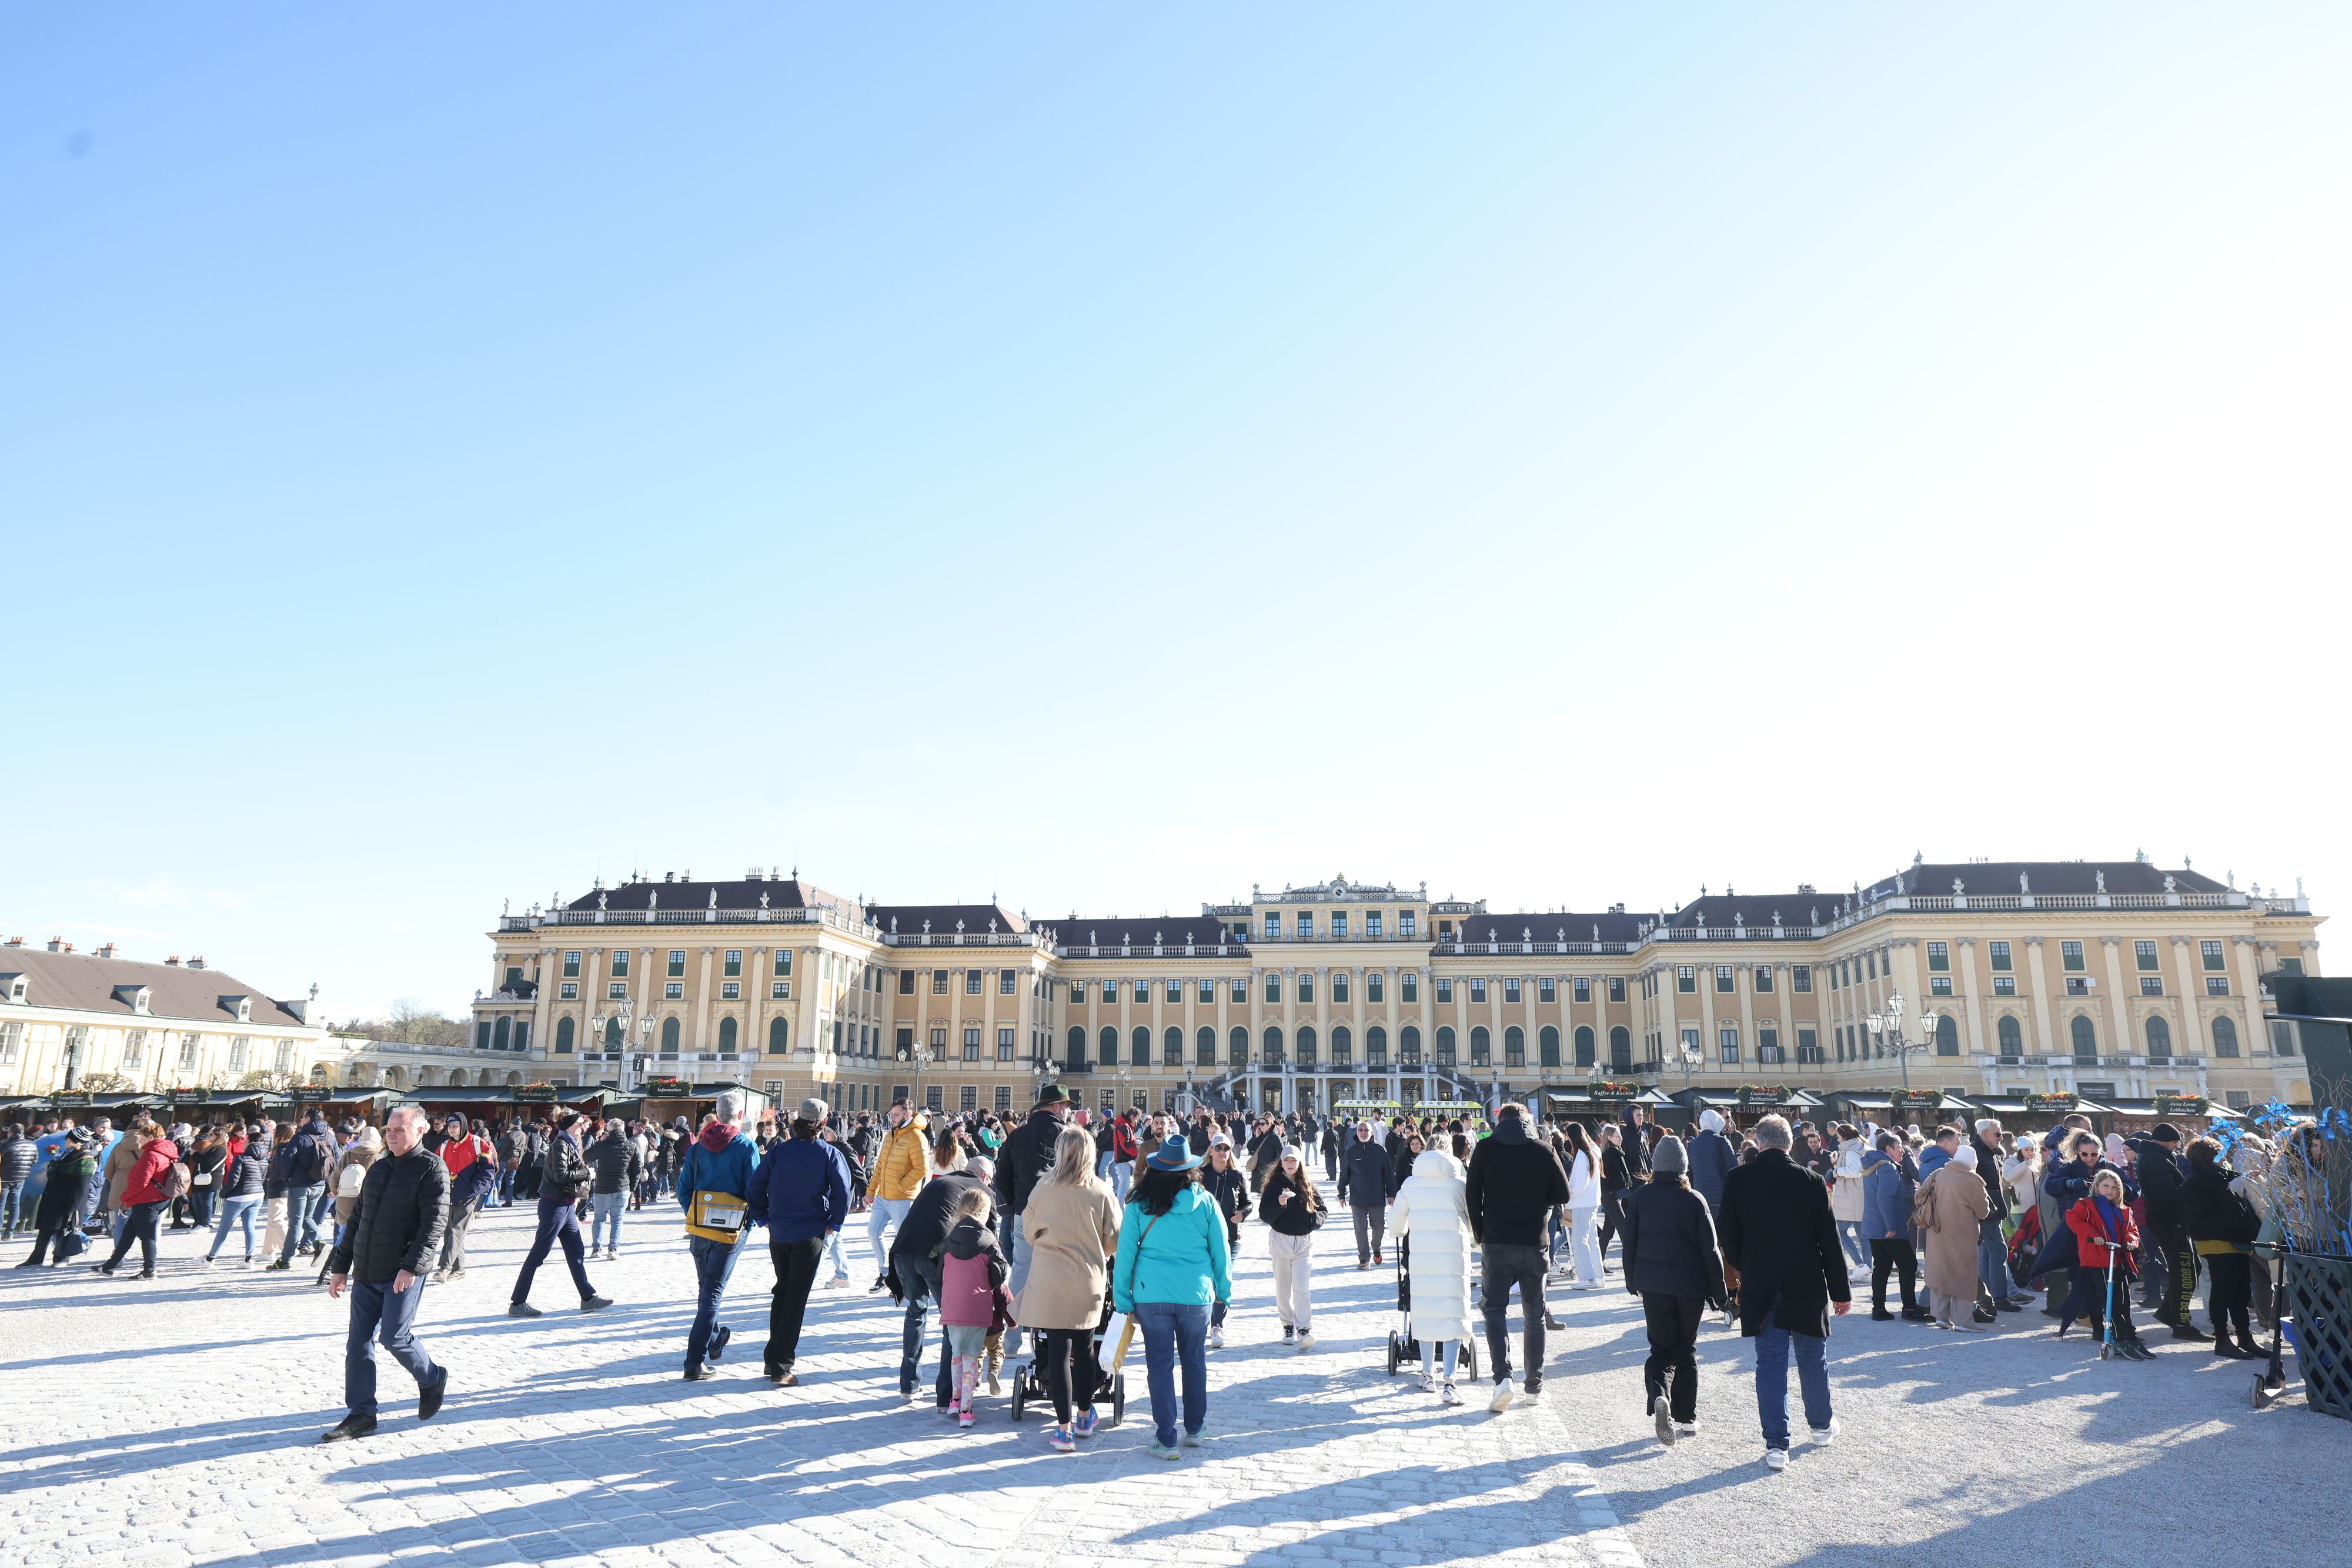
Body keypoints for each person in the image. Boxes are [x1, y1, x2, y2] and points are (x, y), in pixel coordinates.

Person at [1717, 1114, 1850, 1471]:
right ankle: (1821, 1426)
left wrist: (1748, 1265)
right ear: (1789, 1143)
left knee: (1771, 1363)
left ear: (1759, 1143)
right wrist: (1841, 1290)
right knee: (1812, 1358)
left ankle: (1777, 1444)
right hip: (1805, 1280)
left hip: (1762, 1282)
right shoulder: (1811, 1180)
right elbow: (1829, 1241)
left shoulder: (1739, 1178)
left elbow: (1726, 1234)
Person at [322, 1106, 450, 1442]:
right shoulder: (377, 1169)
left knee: (394, 1337)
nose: (391, 1134)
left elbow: (433, 1225)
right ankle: (362, 1414)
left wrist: (411, 1266)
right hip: (366, 1269)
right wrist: (340, 1267)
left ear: (420, 1131)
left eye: (399, 1129)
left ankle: (431, 1376)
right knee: (358, 1345)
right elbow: (356, 1223)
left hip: (401, 1271)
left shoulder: (431, 1168)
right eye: (389, 1129)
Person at [1112, 1134, 1231, 1460]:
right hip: (1196, 1293)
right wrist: (1224, 1291)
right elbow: (1221, 1250)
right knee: (1194, 1360)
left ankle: (1166, 1438)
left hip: (1152, 1295)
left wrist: (1123, 1298)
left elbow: (1125, 1255)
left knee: (1160, 1365)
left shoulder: (1138, 1203)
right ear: (1190, 1169)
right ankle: (1195, 1428)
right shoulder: (1205, 1202)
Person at [1013, 1124, 1123, 1452]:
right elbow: (1114, 1239)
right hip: (1088, 1278)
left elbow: (1030, 1232)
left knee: (1058, 1350)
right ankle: (1086, 1414)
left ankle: (1064, 1430)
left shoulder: (1042, 1189)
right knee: (1086, 1348)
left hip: (1049, 1277)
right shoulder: (1102, 1191)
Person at [1464, 1103, 1571, 1412]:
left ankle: (1503, 1379)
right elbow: (1562, 1194)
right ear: (1527, 1119)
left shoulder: (1485, 1148)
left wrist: (1481, 1232)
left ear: (1501, 1120)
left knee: (1494, 1310)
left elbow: (1473, 1194)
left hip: (1497, 1240)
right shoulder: (1544, 1149)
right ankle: (1534, 1387)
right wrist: (1539, 1202)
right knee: (1534, 1316)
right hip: (1534, 1240)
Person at [1619, 1135, 1723, 1444]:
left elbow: (1630, 1243)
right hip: (1690, 1286)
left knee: (1661, 1349)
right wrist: (1720, 1293)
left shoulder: (1640, 1197)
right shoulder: (1694, 1199)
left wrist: (1631, 1280)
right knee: (1686, 1350)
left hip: (1653, 1285)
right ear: (1684, 1167)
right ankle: (1687, 1416)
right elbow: (1711, 1250)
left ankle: (1660, 1394)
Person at [746, 1098, 851, 1388]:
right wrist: (835, 1222)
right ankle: (781, 1365)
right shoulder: (828, 1153)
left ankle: (772, 1359)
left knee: (782, 1292)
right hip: (809, 1233)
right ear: (823, 1125)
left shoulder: (779, 1151)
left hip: (779, 1231)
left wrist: (762, 1217)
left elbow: (755, 1185)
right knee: (794, 1298)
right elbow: (843, 1192)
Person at [887, 1153, 987, 1408]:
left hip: (903, 1250)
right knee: (950, 1321)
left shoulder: (940, 1181)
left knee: (916, 1312)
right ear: (986, 1177)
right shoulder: (982, 1192)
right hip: (934, 1255)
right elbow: (985, 1239)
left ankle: (908, 1385)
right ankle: (945, 1397)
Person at [676, 1093, 759, 1380]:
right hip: (730, 1230)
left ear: (717, 1113)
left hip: (701, 1228)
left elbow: (683, 1189)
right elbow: (755, 1191)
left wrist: (698, 1214)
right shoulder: (747, 1147)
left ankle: (713, 1340)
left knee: (706, 1289)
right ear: (740, 1115)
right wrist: (755, 1221)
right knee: (712, 1293)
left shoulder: (698, 1148)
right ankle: (693, 1361)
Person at [1388, 1142, 1475, 1404]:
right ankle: (1450, 1381)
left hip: (1423, 1257)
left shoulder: (1411, 1185)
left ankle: (1427, 1374)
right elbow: (1473, 1222)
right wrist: (1472, 1239)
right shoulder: (1460, 1184)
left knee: (1425, 1313)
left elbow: (1395, 1225)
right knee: (1453, 1315)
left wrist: (1404, 1230)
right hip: (1454, 1258)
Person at [991, 1084, 1071, 1360]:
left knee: (1021, 1274)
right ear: (1057, 1107)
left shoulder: (1018, 1135)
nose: (1068, 1111)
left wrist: (1016, 1206)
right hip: (1061, 1216)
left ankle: (1011, 1342)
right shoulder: (1068, 1137)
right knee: (1062, 1273)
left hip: (1025, 1214)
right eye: (1067, 1106)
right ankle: (1058, 1340)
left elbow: (1000, 1178)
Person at [508, 1109, 612, 1318]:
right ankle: (518, 1302)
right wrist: (588, 1173)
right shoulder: (561, 1144)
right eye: (581, 1123)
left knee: (576, 1251)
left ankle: (588, 1298)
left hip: (565, 1206)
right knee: (539, 1254)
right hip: (555, 1206)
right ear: (572, 1125)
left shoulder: (570, 1142)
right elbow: (561, 1175)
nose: (584, 1126)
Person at [936, 1185, 1010, 1428]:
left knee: (956, 1355)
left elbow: (940, 1272)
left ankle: (955, 1400)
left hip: (951, 1307)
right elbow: (999, 1274)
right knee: (971, 1358)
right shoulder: (988, 1241)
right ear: (984, 1212)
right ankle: (966, 1411)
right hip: (976, 1308)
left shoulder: (948, 1239)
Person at [2182, 1136, 2261, 1357]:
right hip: (2216, 1242)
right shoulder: (2196, 1181)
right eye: (2219, 1153)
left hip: (2235, 1241)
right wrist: (2231, 1225)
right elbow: (2199, 1217)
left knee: (2241, 1291)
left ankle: (2245, 1338)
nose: (2224, 1157)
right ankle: (2222, 1341)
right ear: (2208, 1156)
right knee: (2223, 1291)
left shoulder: (2218, 1177)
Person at [2063, 1168, 2150, 1358]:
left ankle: (2130, 1337)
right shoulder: (2086, 1205)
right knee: (2112, 1302)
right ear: (2097, 1187)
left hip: (2119, 1257)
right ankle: (2119, 1338)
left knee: (2125, 1301)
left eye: (2114, 1187)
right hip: (2100, 1259)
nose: (2110, 1191)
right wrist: (2094, 1236)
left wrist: (2132, 1241)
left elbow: (2132, 1229)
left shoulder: (2124, 1209)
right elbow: (2072, 1218)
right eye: (2106, 1186)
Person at [1920, 1144, 1993, 1330]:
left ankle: (1941, 1316)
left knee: (1941, 1271)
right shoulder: (1972, 1180)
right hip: (1962, 1234)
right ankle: (1963, 1321)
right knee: (1963, 1273)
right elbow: (1984, 1212)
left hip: (1936, 1231)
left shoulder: (1938, 1174)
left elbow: (1919, 1195)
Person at [1258, 1144, 1324, 1350]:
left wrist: (1313, 1222)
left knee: (1301, 1289)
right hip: (1281, 1243)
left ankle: (1304, 1328)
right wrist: (1279, 1203)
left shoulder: (1307, 1185)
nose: (1290, 1164)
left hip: (1304, 1244)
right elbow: (1264, 1215)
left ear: (1299, 1163)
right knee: (1283, 1290)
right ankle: (1288, 1325)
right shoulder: (1274, 1185)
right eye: (1286, 1161)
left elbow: (1322, 1211)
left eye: (1294, 1161)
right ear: (1281, 1163)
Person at [92, 1123, 180, 1278]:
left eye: (143, 1137)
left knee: (147, 1237)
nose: (140, 1141)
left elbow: (140, 1182)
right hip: (160, 1197)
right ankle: (109, 1267)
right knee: (128, 1233)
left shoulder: (151, 1154)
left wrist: (125, 1199)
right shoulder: (167, 1151)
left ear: (151, 1137)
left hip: (147, 1200)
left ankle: (149, 1271)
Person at [1859, 1132, 1929, 1321]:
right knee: (1909, 1265)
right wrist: (1891, 1227)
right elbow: (1885, 1199)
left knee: (1882, 1266)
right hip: (1888, 1228)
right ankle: (1909, 1309)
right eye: (1899, 1148)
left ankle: (1879, 1309)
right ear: (1888, 1149)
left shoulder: (1872, 1165)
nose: (1903, 1151)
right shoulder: (1888, 1168)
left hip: (1874, 1226)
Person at [424, 1114, 496, 1280]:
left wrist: (475, 1188)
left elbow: (488, 1171)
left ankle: (444, 1267)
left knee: (457, 1230)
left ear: (463, 1126)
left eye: (455, 1126)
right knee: (450, 1231)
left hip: (469, 1194)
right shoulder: (443, 1147)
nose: (452, 1129)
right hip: (448, 1194)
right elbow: (436, 1170)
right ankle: (459, 1269)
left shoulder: (478, 1143)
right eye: (449, 1126)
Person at [867, 1100, 928, 1283]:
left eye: (896, 1115)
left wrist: (901, 1186)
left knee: (904, 1242)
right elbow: (880, 1166)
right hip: (882, 1197)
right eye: (891, 1115)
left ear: (907, 1115)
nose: (892, 1118)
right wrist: (872, 1191)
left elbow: (922, 1169)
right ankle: (886, 1273)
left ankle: (911, 1279)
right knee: (873, 1231)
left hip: (902, 1199)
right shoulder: (890, 1135)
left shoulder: (916, 1137)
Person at [266, 1113, 335, 1271]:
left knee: (295, 1222)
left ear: (308, 1119)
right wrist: (329, 1185)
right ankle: (318, 1243)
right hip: (319, 1184)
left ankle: (287, 1259)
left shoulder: (300, 1137)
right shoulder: (330, 1137)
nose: (301, 1119)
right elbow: (336, 1160)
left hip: (299, 1185)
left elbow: (287, 1161)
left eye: (303, 1117)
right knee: (307, 1217)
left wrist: (287, 1178)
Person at [1200, 1134, 1248, 1348]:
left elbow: (1248, 1203)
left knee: (1223, 1277)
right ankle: (1200, 1321)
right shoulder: (1200, 1175)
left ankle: (1217, 1324)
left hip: (1231, 1236)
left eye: (1225, 1148)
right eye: (1218, 1148)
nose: (1222, 1152)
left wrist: (1242, 1214)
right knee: (1206, 1279)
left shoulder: (1237, 1176)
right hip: (1204, 1237)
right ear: (1211, 1151)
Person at [1338, 1119, 1394, 1269]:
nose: (1363, 1133)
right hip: (1358, 1199)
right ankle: (1364, 1258)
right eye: (1361, 1130)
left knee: (1379, 1228)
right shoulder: (1351, 1152)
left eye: (1366, 1130)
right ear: (1357, 1132)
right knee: (1360, 1229)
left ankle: (1376, 1248)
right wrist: (1342, 1194)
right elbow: (1344, 1175)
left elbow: (1388, 1173)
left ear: (1371, 1132)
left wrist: (1392, 1193)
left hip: (1377, 1198)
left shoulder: (1380, 1150)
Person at [586, 1118, 643, 1261]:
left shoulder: (603, 1145)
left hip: (603, 1186)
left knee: (599, 1219)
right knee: (617, 1220)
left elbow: (587, 1156)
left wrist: (599, 1142)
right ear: (623, 1129)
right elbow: (637, 1169)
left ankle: (596, 1249)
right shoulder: (631, 1146)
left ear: (609, 1130)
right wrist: (632, 1189)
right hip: (622, 1187)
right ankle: (613, 1249)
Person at [1560, 1122, 1605, 1290]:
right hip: (1593, 1201)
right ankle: (1597, 1277)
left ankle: (1588, 1278)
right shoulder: (1593, 1152)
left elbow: (1579, 1185)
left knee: (1580, 1241)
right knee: (1592, 1240)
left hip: (1582, 1202)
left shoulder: (1582, 1156)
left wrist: (1568, 1197)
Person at [1, 1124, 35, 1240]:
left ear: (11, 1132)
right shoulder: (32, 1144)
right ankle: (9, 1233)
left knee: (1, 1205)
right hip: (20, 1178)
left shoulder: (4, 1144)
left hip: (4, 1178)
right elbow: (34, 1160)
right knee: (15, 1205)